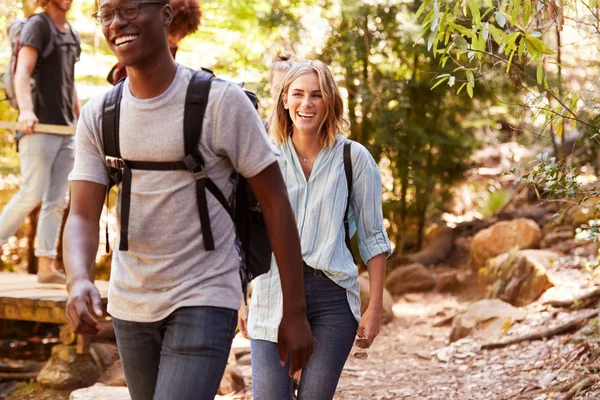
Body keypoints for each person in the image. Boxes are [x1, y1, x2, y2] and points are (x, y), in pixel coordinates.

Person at [63, 1, 313, 399]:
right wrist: (78, 280)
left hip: (206, 291)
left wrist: (295, 312)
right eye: (106, 14)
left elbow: (276, 202)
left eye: (127, 9)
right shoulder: (99, 114)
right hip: (131, 301)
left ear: (165, 14)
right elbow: (81, 213)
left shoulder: (220, 103)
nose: (116, 24)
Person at [243, 60, 392, 400]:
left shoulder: (354, 159)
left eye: (316, 95)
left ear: (330, 103)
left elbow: (373, 237)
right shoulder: (263, 158)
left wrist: (375, 307)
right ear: (284, 100)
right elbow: (243, 233)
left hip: (332, 297)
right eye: (297, 94)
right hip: (271, 293)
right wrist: (239, 298)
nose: (306, 103)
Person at [0, 0, 80, 284]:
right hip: (38, 127)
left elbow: (69, 81)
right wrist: (26, 110)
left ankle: (46, 265)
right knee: (31, 194)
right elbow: (22, 71)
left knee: (57, 200)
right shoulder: (38, 25)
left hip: (65, 131)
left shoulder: (71, 31)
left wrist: (79, 116)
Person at [106, 0, 201, 84]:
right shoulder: (143, 44)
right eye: (177, 31)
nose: (178, 38)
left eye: (183, 34)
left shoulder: (172, 48)